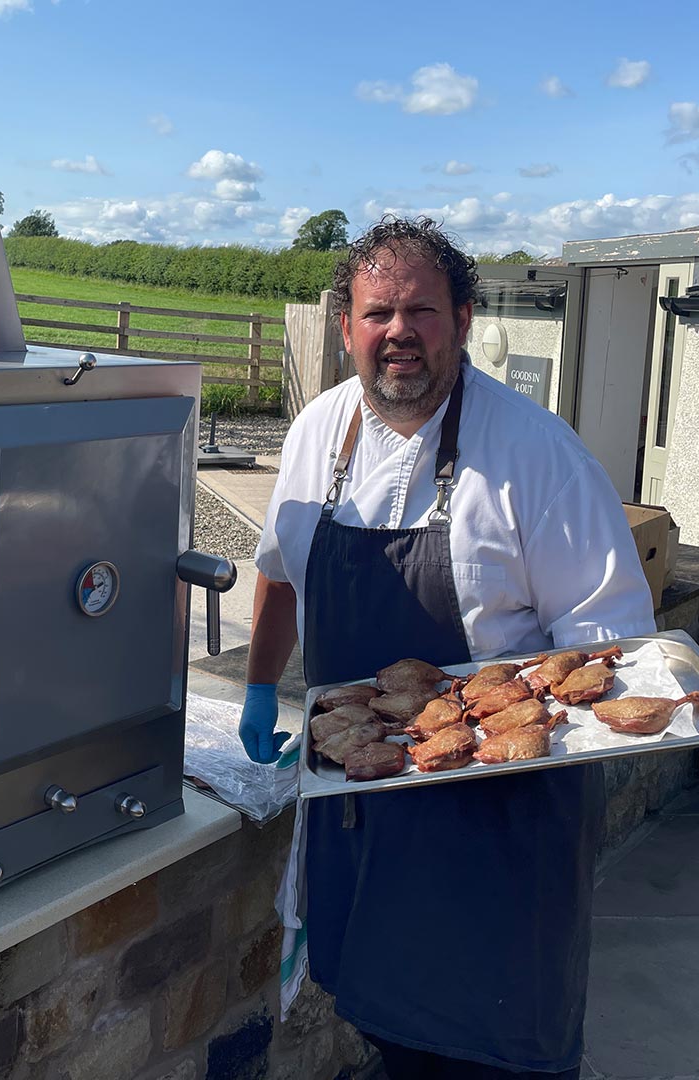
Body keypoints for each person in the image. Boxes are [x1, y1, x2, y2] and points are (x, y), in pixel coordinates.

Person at [239, 216, 656, 1079]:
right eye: (376, 313)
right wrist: (258, 687)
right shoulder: (317, 432)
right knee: (383, 1020)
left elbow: (612, 652)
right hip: (360, 811)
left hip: (496, 828)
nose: (399, 332)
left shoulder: (539, 457)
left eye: (422, 311)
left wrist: (513, 733)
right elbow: (280, 570)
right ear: (346, 326)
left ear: (463, 320)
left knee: (491, 1049)